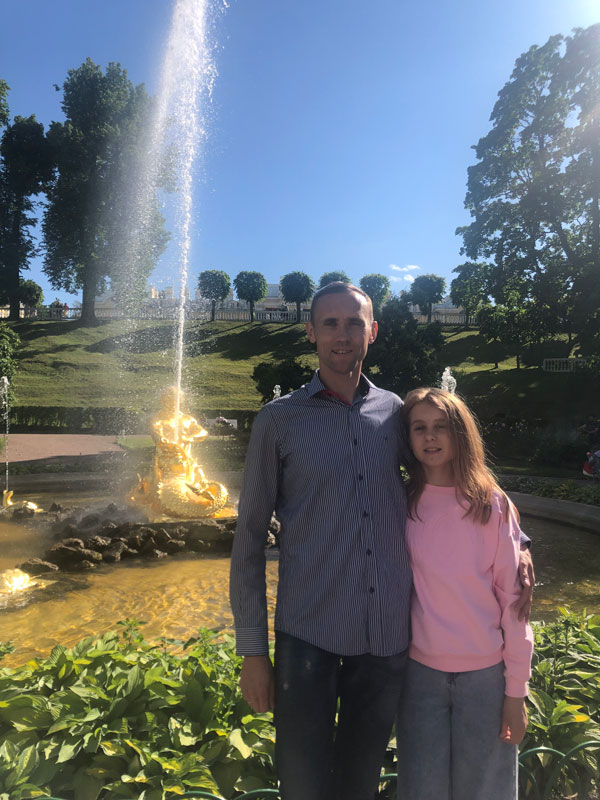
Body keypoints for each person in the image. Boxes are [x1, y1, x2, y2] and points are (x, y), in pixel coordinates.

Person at [229, 282, 534, 800]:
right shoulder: (278, 421)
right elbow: (250, 537)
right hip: (309, 632)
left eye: (354, 323)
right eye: (330, 323)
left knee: (360, 780)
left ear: (372, 332)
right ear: (311, 332)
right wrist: (253, 651)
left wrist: (518, 540)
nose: (342, 335)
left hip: (385, 639)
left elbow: (451, 474)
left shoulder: (396, 414)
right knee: (301, 782)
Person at [396, 387, 534, 800]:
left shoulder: (491, 505)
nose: (430, 437)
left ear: (460, 433)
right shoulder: (399, 502)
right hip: (419, 676)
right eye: (419, 427)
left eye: (441, 426)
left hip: (485, 678)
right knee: (421, 790)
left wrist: (516, 693)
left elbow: (514, 605)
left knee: (485, 791)